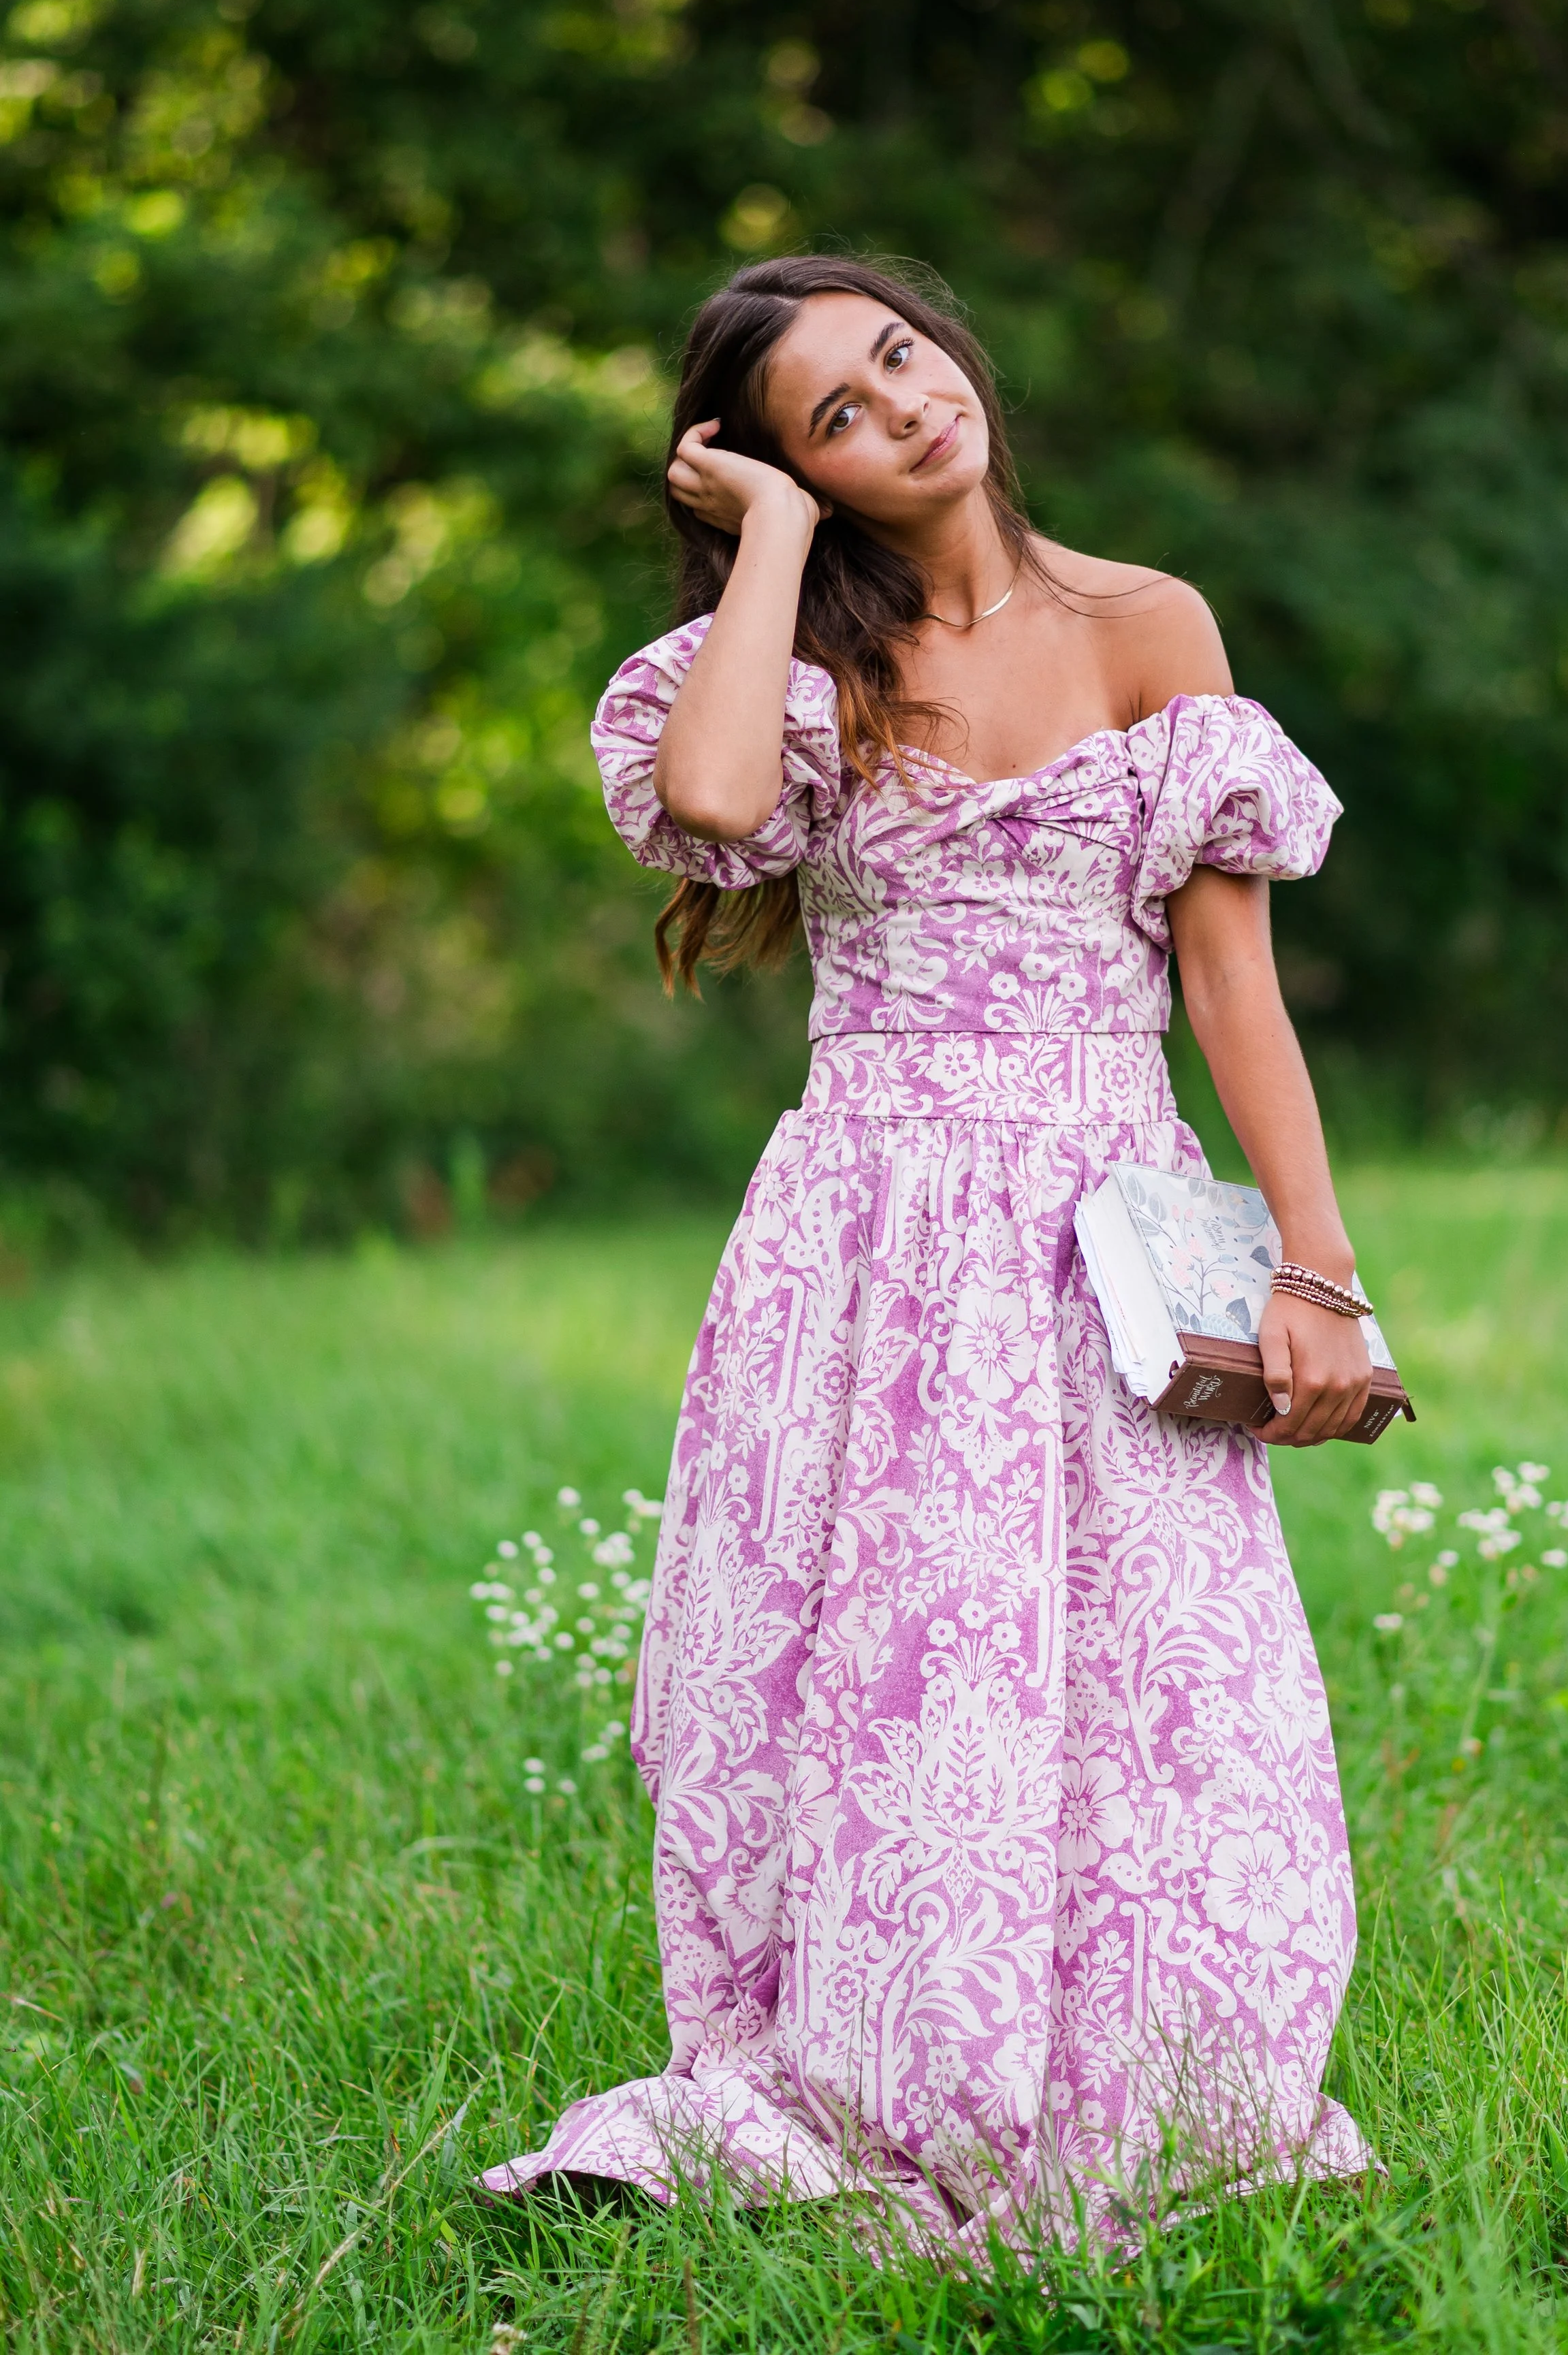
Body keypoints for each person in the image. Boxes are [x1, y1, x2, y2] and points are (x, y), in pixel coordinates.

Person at [483, 255, 1375, 2245]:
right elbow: (710, 800)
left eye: (896, 355)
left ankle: (1149, 2062)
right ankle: (877, 2062)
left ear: (948, 343)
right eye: (830, 420)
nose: (900, 409)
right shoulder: (796, 664)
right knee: (871, 1659)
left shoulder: (1150, 625)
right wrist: (779, 551)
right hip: (864, 1228)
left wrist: (1314, 1270)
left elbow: (1231, 984)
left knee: (1142, 1649)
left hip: (1103, 1220)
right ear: (783, 473)